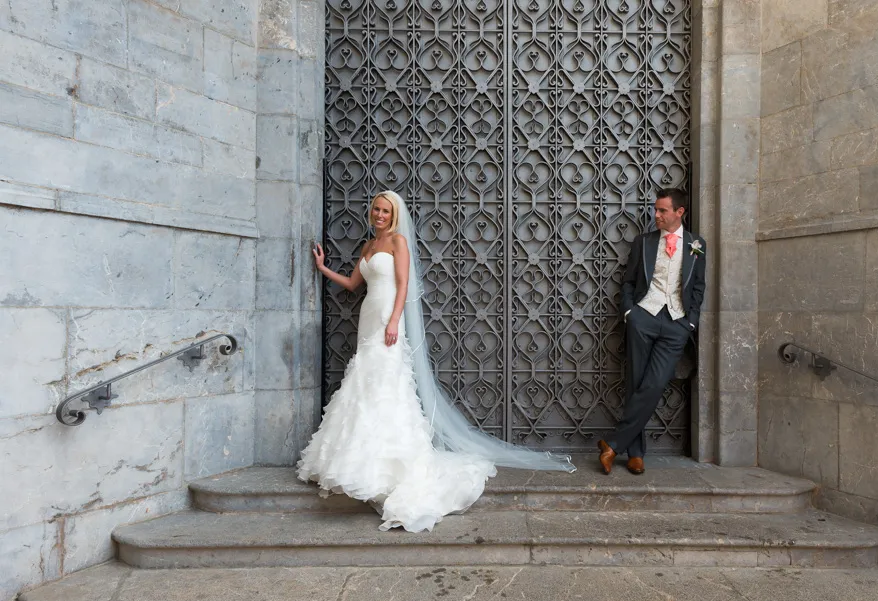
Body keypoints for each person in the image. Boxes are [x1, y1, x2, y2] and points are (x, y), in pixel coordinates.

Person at [298, 191, 573, 532]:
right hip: (368, 319)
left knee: (386, 384)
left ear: (394, 214)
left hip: (387, 317)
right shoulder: (369, 246)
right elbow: (355, 284)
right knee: (364, 383)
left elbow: (403, 285)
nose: (380, 214)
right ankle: (359, 457)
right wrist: (323, 268)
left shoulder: (398, 242)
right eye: (376, 209)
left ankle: (390, 461)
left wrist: (395, 320)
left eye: (386, 210)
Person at [598, 187, 707, 475]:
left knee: (654, 384)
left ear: (679, 212)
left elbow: (698, 286)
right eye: (656, 210)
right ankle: (635, 454)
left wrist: (690, 322)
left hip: (677, 323)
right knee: (636, 382)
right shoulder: (643, 242)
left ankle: (613, 445)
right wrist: (631, 312)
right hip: (644, 317)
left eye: (662, 210)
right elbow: (629, 282)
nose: (656, 215)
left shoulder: (697, 244)